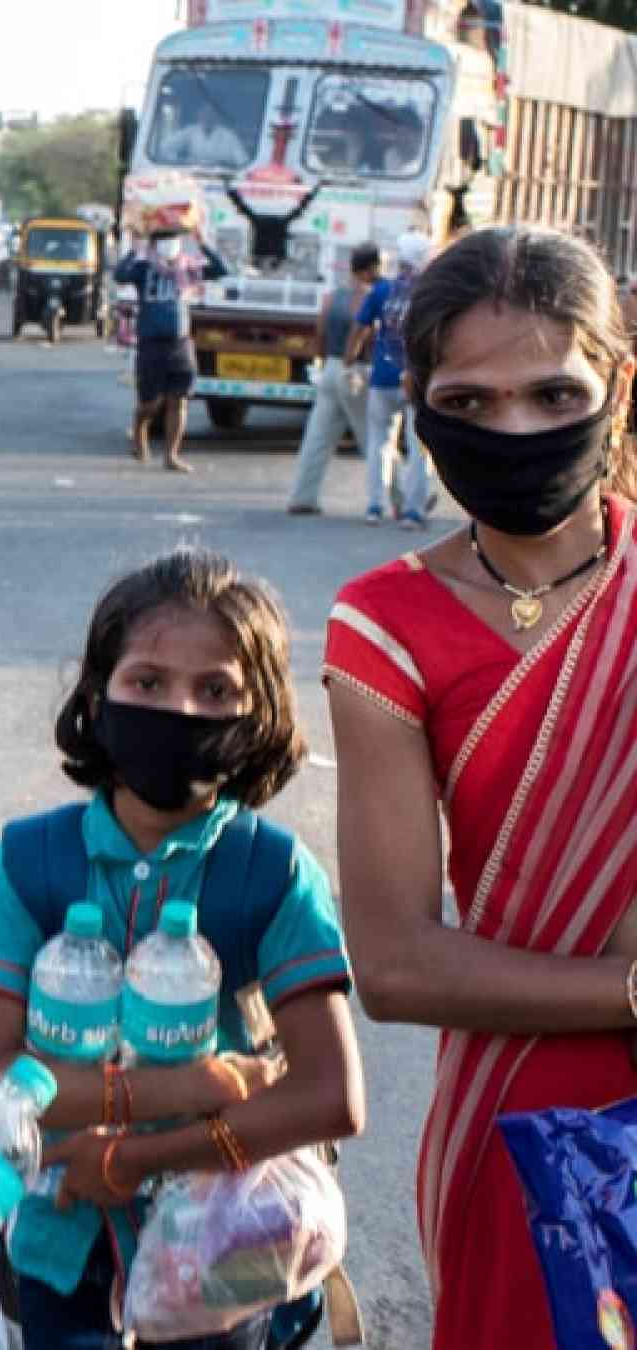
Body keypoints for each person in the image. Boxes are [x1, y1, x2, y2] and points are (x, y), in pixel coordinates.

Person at [325, 224, 637, 1350]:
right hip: (525, 1120)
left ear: (620, 383)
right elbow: (399, 964)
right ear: (420, 403)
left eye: (556, 394)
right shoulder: (385, 624)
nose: (516, 429)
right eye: (470, 403)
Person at [0, 547, 365, 1350]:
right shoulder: (31, 859)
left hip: (234, 1247)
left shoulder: (273, 871)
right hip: (59, 1236)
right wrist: (179, 1091)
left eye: (214, 691)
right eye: (147, 682)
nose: (177, 709)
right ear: (98, 695)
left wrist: (141, 1158)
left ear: (258, 719)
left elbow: (331, 1096)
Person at [116, 230, 230, 473]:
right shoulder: (143, 269)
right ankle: (139, 431)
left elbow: (221, 270)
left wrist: (203, 244)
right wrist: (135, 250)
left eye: (173, 240)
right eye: (164, 241)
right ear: (155, 245)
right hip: (151, 343)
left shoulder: (187, 269)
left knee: (179, 400)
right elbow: (119, 275)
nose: (170, 245)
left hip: (179, 343)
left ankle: (171, 455)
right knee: (151, 403)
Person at [346, 230, 435, 527]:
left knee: (379, 443)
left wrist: (349, 363)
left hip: (382, 376)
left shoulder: (382, 290)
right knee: (418, 446)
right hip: (417, 378)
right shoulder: (431, 292)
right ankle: (413, 510)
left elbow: (359, 328)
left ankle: (375, 505)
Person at [287, 244, 384, 515]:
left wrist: (321, 362)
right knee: (376, 438)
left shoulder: (332, 297)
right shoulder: (369, 298)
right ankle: (400, 498)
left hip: (329, 367)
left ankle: (302, 497)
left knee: (317, 436)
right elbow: (366, 334)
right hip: (355, 369)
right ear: (370, 268)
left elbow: (319, 334)